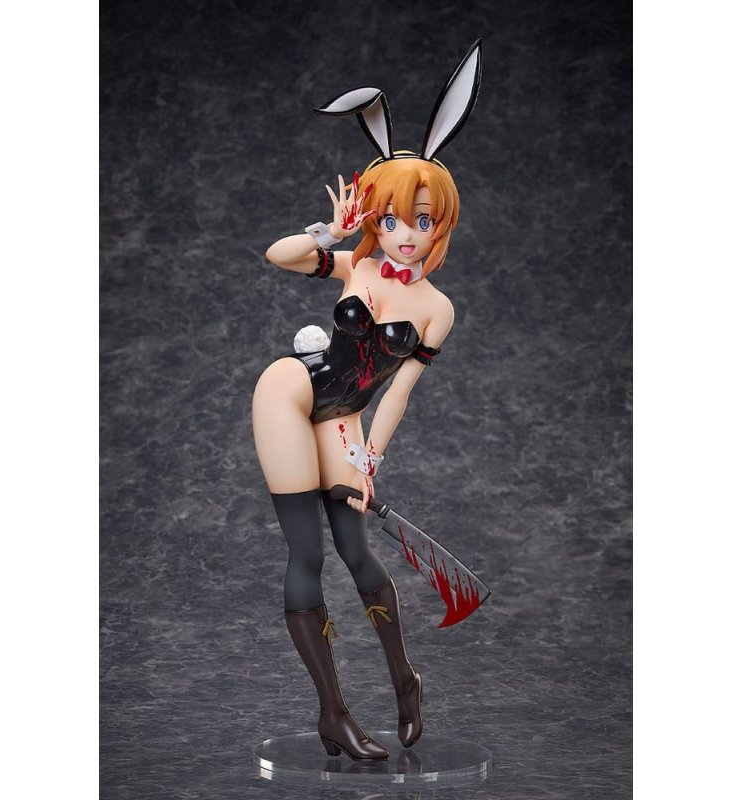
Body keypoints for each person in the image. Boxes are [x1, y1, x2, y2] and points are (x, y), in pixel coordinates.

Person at [251, 41, 482, 761]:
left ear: (440, 224)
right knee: (307, 554)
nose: (403, 236)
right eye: (390, 220)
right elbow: (278, 256)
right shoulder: (357, 262)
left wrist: (370, 460)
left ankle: (405, 680)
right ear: (375, 220)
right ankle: (334, 713)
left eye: (421, 221)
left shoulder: (437, 309)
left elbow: (399, 389)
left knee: (357, 551)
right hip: (290, 395)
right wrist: (330, 234)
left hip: (346, 418)